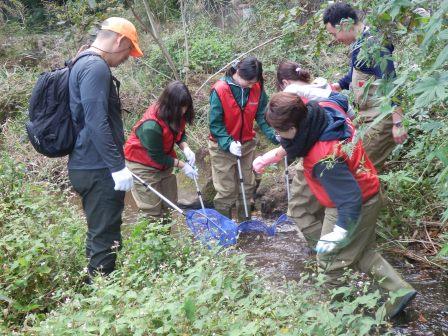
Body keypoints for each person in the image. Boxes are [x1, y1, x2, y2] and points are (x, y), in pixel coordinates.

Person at [265, 91, 417, 318]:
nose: (278, 137)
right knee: (361, 250)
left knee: (329, 268)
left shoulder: (323, 158)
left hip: (355, 204)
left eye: (280, 132)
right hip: (370, 189)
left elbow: (350, 200)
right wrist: (275, 154)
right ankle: (399, 291)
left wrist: (338, 232)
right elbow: (340, 98)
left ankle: (347, 320)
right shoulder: (324, 108)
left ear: (294, 128)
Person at [68, 17, 143, 279]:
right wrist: (117, 166)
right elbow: (95, 121)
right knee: (106, 234)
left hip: (85, 163)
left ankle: (93, 285)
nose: (125, 58)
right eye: (127, 51)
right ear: (119, 40)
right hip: (97, 167)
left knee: (99, 230)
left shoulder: (81, 61)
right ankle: (103, 293)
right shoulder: (96, 68)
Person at [253, 61, 352, 246]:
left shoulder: (293, 96)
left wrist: (268, 157)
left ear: (284, 82)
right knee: (323, 205)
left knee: (298, 210)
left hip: (318, 156)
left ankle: (323, 250)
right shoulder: (321, 87)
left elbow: (296, 141)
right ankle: (332, 245)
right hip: (340, 149)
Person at [323, 2, 408, 171]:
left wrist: (398, 123)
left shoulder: (373, 45)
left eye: (334, 34)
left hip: (381, 119)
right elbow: (359, 71)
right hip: (368, 117)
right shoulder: (360, 43)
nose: (335, 40)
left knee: (363, 170)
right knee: (365, 167)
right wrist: (338, 85)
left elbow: (389, 81)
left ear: (345, 24)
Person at [209, 56, 279, 221]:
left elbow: (262, 115)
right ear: (237, 72)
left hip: (247, 144)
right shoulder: (220, 90)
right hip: (221, 147)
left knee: (247, 187)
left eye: (253, 82)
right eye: (247, 81)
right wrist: (228, 143)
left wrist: (273, 135)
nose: (250, 85)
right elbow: (215, 124)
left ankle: (245, 225)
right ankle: (223, 229)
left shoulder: (257, 88)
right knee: (226, 191)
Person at [124, 81, 197, 218]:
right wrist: (183, 165)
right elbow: (157, 156)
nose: (183, 111)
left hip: (164, 164)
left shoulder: (176, 114)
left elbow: (179, 133)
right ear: (170, 105)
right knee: (152, 211)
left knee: (169, 205)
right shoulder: (151, 125)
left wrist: (185, 148)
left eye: (185, 107)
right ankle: (151, 238)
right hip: (142, 165)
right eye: (180, 108)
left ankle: (166, 239)